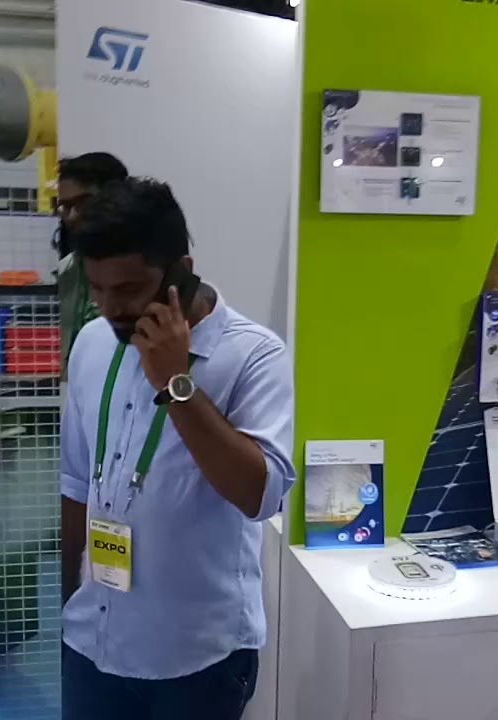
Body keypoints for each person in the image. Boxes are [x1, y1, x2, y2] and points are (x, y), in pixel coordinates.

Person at [59, 177, 295, 720]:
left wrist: (174, 383)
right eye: (96, 288)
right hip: (92, 639)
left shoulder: (254, 355)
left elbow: (260, 495)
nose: (109, 307)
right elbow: (76, 484)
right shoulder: (93, 343)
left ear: (181, 273)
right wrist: (62, 600)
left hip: (197, 658)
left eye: (128, 289)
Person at [56, 152, 129, 376]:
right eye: (65, 207)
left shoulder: (146, 271)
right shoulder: (64, 273)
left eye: (83, 203)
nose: (72, 216)